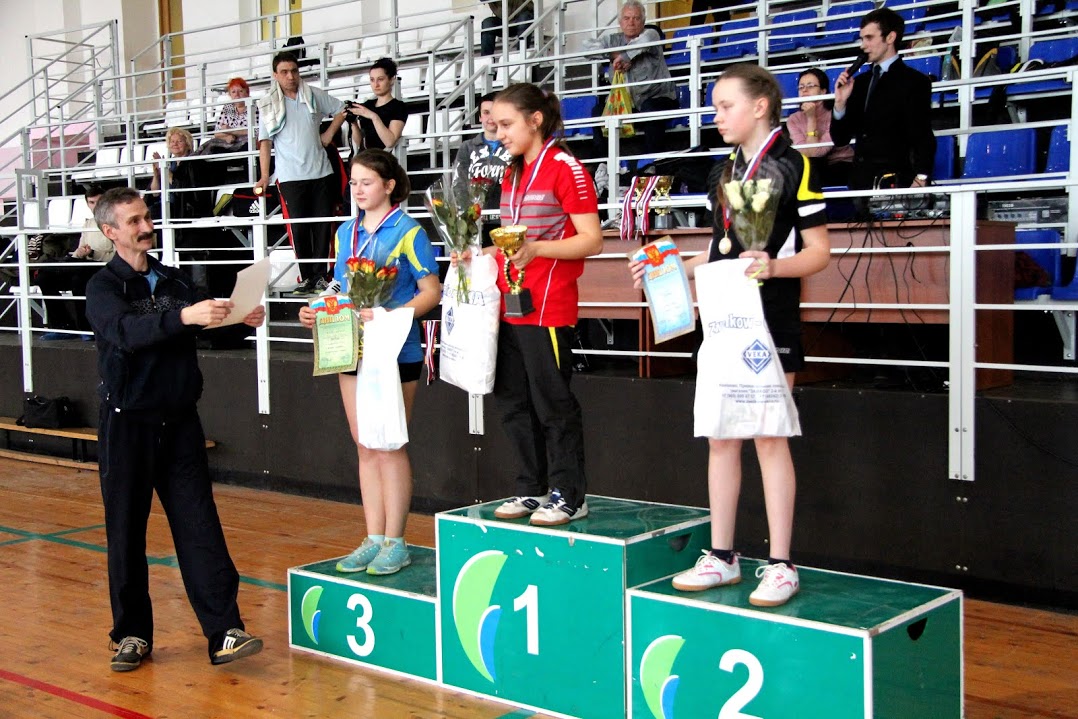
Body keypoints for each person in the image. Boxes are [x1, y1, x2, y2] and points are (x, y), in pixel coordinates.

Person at [630, 64, 830, 607]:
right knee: (721, 436)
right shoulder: (724, 171)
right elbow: (719, 253)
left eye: (725, 106)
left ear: (760, 106)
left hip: (771, 319)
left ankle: (782, 564)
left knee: (769, 436)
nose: (715, 116)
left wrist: (773, 267)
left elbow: (819, 252)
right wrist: (667, 268)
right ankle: (722, 556)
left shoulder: (794, 166)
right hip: (723, 318)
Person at [84, 187, 266, 671]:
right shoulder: (103, 288)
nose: (147, 227)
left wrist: (240, 321)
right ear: (110, 232)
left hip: (180, 423)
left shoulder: (173, 280)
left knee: (200, 526)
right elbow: (125, 333)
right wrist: (185, 316)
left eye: (147, 217)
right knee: (126, 532)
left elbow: (204, 326)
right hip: (127, 425)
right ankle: (131, 634)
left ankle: (224, 630)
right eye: (134, 221)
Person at [456, 83, 603, 526]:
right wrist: (480, 254)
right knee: (513, 403)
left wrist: (537, 250)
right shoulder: (512, 172)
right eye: (495, 124)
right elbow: (513, 243)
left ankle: (569, 494)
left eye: (506, 124)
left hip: (548, 307)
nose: (498, 132)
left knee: (553, 403)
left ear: (535, 120)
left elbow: (592, 240)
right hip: (507, 305)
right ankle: (531, 487)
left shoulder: (566, 168)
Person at [299, 150, 440, 575]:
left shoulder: (409, 232)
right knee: (364, 444)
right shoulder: (346, 231)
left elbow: (431, 292)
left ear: (389, 185)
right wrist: (317, 308)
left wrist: (388, 316)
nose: (358, 190)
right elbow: (339, 285)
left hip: (395, 349)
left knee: (388, 444)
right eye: (354, 183)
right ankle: (373, 537)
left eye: (367, 182)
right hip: (351, 347)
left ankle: (396, 541)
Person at [255, 51, 356, 295]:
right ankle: (307, 277)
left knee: (323, 227)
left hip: (321, 173)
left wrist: (328, 134)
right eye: (284, 72)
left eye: (294, 71)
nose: (290, 76)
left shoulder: (312, 94)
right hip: (289, 177)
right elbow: (265, 143)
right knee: (298, 230)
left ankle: (322, 276)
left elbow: (343, 108)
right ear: (275, 75)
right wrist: (265, 175)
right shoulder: (268, 104)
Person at [830, 7, 936, 190]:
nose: (863, 45)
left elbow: (923, 135)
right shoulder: (859, 83)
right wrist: (840, 104)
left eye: (869, 38)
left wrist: (921, 176)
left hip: (895, 180)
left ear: (890, 37)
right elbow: (840, 139)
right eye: (862, 39)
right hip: (860, 183)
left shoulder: (914, 81)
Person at [583, 0, 679, 160]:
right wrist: (614, 55)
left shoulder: (652, 34)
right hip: (629, 106)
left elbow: (644, 43)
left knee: (650, 107)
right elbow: (586, 47)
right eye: (627, 18)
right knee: (598, 112)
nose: (631, 22)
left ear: (643, 21)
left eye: (636, 18)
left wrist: (625, 56)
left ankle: (652, 163)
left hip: (660, 99)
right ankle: (603, 163)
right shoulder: (613, 40)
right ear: (620, 22)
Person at [35, 183, 112, 339]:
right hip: (84, 265)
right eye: (91, 202)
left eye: (98, 201)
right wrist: (80, 252)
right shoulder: (88, 223)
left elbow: (118, 253)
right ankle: (62, 326)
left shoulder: (115, 222)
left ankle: (86, 329)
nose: (95, 205)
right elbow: (80, 249)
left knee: (79, 278)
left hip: (104, 267)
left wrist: (92, 253)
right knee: (44, 277)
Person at [451, 91, 513, 247]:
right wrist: (467, 216)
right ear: (479, 117)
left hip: (507, 219)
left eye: (494, 112)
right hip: (476, 222)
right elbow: (459, 183)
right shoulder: (467, 147)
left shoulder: (513, 145)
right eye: (486, 112)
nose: (490, 118)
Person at [785, 68, 854, 188]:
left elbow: (816, 153)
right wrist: (810, 118)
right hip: (812, 166)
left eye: (810, 86)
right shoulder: (793, 119)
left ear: (823, 91)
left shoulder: (834, 115)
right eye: (801, 87)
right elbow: (806, 153)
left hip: (840, 164)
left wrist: (811, 118)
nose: (804, 90)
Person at [352, 57, 408, 151]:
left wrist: (373, 116)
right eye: (372, 80)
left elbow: (390, 142)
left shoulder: (398, 107)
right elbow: (359, 143)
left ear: (392, 80)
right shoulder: (368, 105)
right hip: (366, 155)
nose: (376, 84)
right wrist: (353, 124)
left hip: (384, 157)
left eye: (380, 79)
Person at [197, 77, 251, 154]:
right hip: (228, 144)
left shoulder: (254, 107)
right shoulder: (227, 108)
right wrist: (226, 137)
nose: (237, 95)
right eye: (233, 92)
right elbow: (217, 133)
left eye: (240, 91)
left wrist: (230, 130)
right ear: (230, 95)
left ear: (247, 93)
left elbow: (255, 131)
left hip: (246, 144)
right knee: (210, 150)